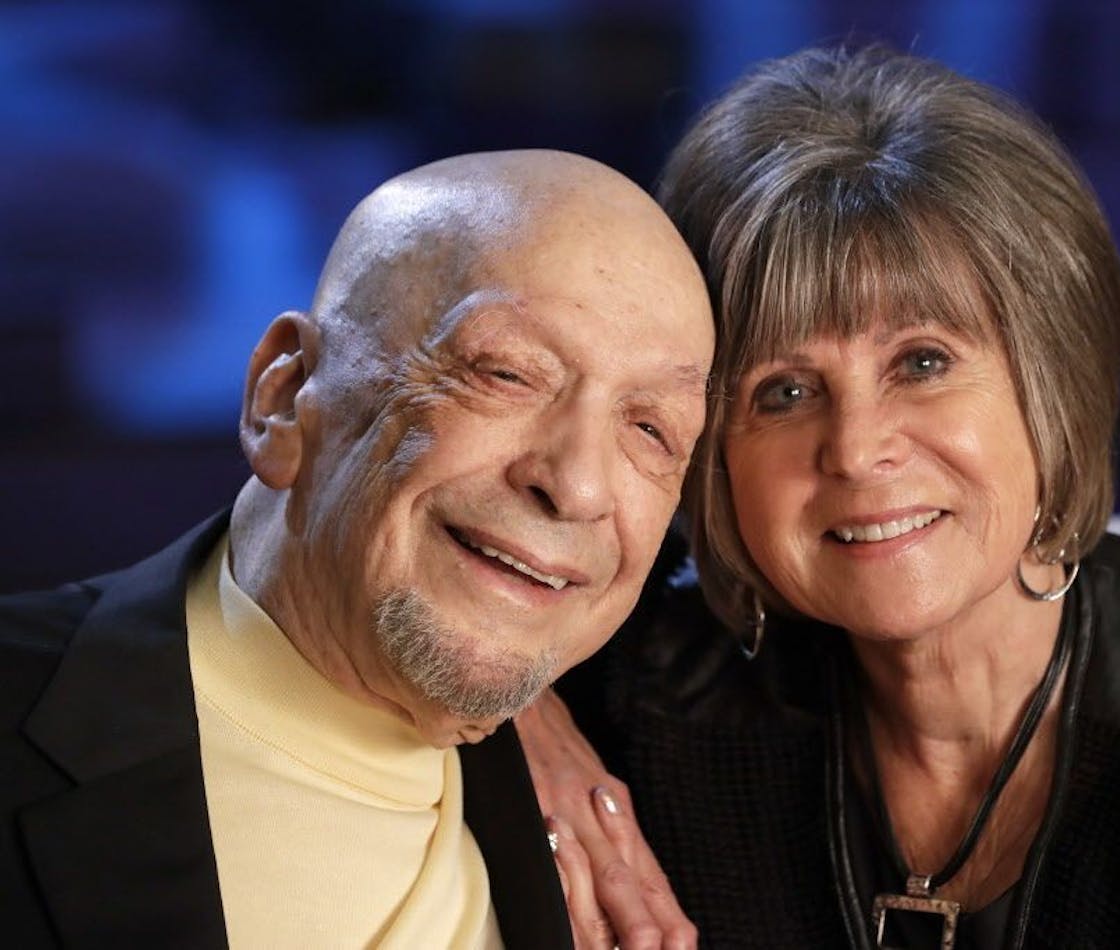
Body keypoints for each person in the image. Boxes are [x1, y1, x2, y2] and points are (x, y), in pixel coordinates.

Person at [520, 47, 1120, 948]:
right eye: (784, 393)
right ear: (711, 449)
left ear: (1051, 379)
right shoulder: (653, 687)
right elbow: (410, 568)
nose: (858, 450)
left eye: (922, 362)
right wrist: (521, 719)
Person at [0, 150, 714, 948]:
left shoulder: (668, 785)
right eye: (507, 373)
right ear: (283, 396)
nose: (579, 485)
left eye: (651, 430)